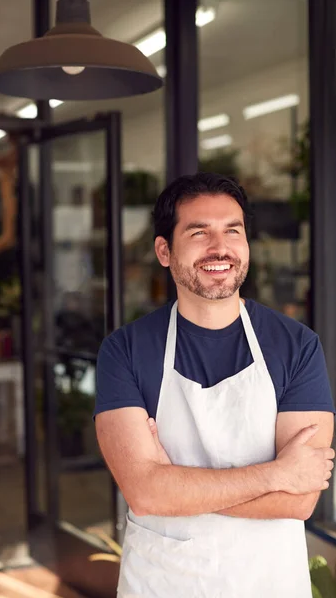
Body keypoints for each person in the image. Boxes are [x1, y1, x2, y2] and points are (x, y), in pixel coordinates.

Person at [94, 172, 335, 598]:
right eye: (199, 232)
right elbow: (145, 493)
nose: (219, 248)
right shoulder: (126, 350)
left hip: (269, 583)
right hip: (162, 582)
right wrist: (277, 474)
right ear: (164, 251)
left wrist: (173, 486)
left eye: (232, 231)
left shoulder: (297, 346)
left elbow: (298, 501)